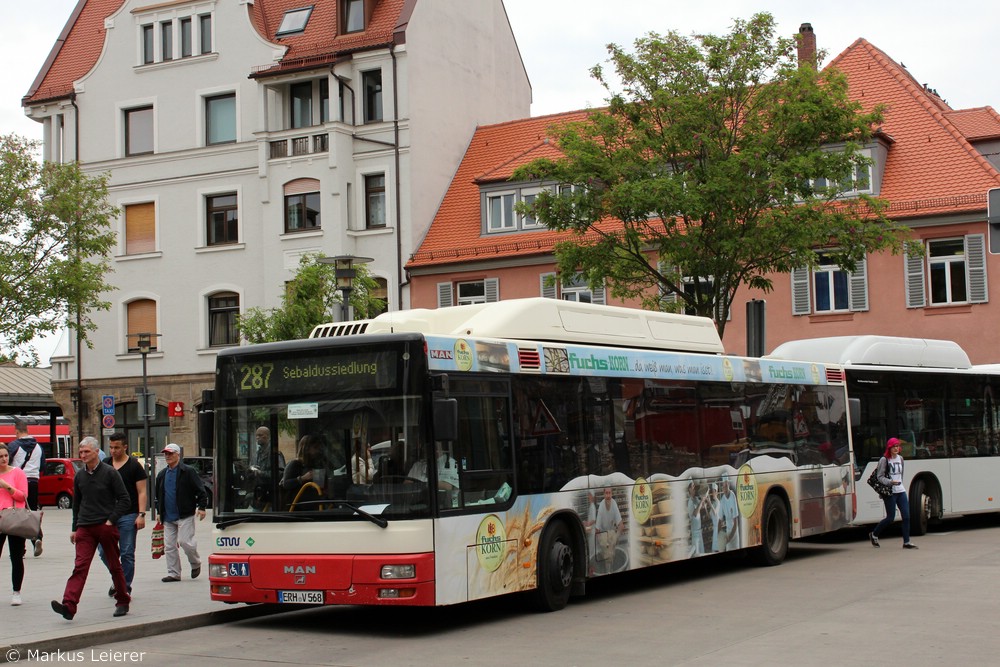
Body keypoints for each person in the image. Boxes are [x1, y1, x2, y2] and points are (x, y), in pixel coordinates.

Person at [51, 437, 131, 620]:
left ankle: (122, 600)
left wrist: (111, 520)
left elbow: (125, 499)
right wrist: (74, 528)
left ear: (96, 452)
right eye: (81, 452)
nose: (83, 455)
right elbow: (77, 504)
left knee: (114, 566)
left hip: (105, 526)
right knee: (80, 566)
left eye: (86, 451)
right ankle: (68, 606)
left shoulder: (110, 473)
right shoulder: (80, 476)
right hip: (85, 527)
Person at [99, 432, 147, 597]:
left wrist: (141, 514)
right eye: (111, 447)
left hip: (129, 514)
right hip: (108, 515)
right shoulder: (105, 464)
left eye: (117, 447)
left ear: (125, 447)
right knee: (103, 551)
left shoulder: (134, 466)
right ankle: (118, 577)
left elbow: (141, 491)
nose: (113, 451)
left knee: (127, 552)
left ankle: (124, 586)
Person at [154, 444, 208, 582]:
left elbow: (200, 490)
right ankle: (174, 573)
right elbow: (158, 495)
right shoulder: (161, 474)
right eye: (166, 454)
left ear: (178, 455)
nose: (167, 456)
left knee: (185, 542)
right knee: (169, 546)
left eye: (170, 453)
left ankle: (195, 562)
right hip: (168, 516)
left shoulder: (188, 471)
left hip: (185, 514)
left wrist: (202, 507)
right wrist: (159, 512)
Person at [870, 437, 918, 549]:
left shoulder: (900, 459)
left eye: (897, 446)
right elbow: (879, 476)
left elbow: (901, 474)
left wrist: (899, 483)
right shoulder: (884, 460)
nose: (896, 448)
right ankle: (874, 534)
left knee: (906, 516)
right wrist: (890, 482)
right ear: (889, 448)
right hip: (890, 492)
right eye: (894, 447)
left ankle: (906, 542)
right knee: (890, 518)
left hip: (901, 490)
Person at [9, 419, 44, 557]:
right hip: (34, 482)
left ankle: (21, 549)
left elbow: (7, 463)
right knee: (31, 513)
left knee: (19, 515)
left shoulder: (14, 445)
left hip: (18, 482)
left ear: (17, 431)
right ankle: (37, 538)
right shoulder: (38, 447)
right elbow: (43, 466)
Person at [0, 446, 29, 606]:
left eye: (6, 455)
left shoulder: (17, 472)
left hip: (15, 517)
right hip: (0, 518)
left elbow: (23, 496)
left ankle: (16, 592)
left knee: (16, 556)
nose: (4, 459)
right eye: (0, 457)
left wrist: (6, 486)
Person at [281, 435, 329, 506]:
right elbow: (286, 484)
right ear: (306, 449)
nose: (317, 451)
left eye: (319, 448)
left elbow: (320, 487)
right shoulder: (295, 464)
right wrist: (303, 478)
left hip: (314, 503)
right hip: (297, 506)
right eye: (315, 448)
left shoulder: (317, 464)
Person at [252, 427, 284, 509]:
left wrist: (260, 473)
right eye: (256, 435)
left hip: (271, 496)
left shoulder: (275, 453)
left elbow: (280, 474)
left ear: (267, 436)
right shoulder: (258, 453)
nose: (257, 437)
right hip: (259, 494)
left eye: (260, 435)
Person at [594, 487, 623, 573]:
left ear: (612, 494)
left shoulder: (614, 504)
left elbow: (621, 525)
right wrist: (602, 542)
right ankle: (607, 572)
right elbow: (597, 529)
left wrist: (616, 537)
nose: (608, 495)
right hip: (604, 535)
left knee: (612, 555)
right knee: (607, 557)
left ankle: (612, 570)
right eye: (606, 493)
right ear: (604, 494)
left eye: (609, 493)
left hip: (612, 534)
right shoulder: (601, 506)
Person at [717, 478, 740, 552]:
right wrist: (718, 535)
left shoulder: (732, 496)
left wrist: (729, 538)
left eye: (726, 486)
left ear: (729, 485)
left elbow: (735, 523)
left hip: (734, 533)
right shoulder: (722, 500)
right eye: (723, 487)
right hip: (728, 532)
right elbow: (720, 520)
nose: (725, 489)